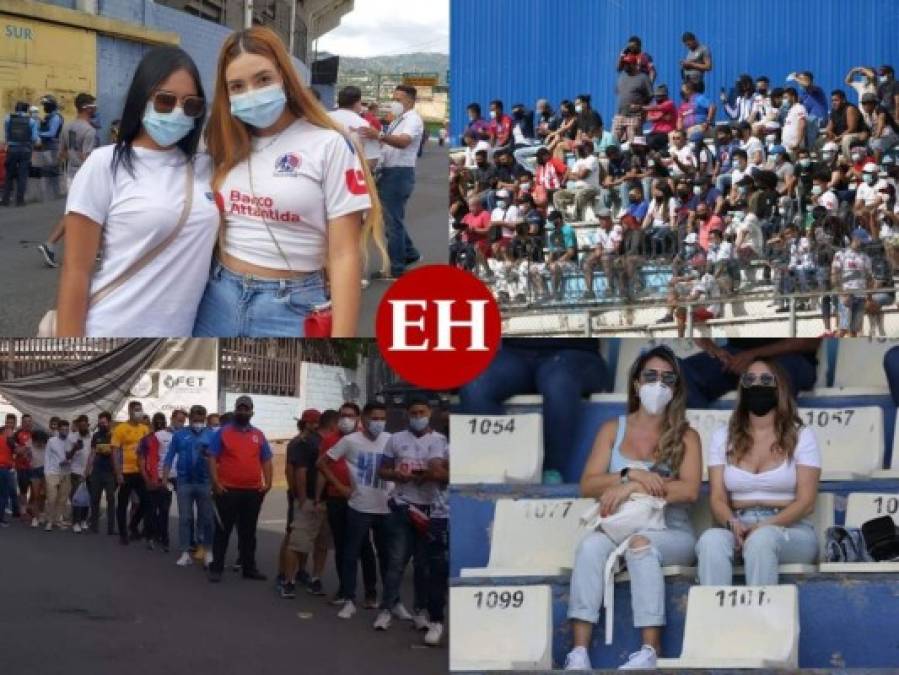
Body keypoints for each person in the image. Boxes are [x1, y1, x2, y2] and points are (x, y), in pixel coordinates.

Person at [196, 27, 385, 336]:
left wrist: (342, 337)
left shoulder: (329, 145)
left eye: (263, 80)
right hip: (217, 296)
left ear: (285, 77)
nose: (251, 93)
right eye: (237, 86)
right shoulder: (222, 145)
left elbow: (344, 254)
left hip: (292, 307)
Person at [56, 47, 217, 337]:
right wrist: (69, 352)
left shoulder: (204, 168)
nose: (178, 112)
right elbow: (75, 271)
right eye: (165, 101)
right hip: (110, 333)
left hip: (181, 344)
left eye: (191, 105)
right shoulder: (105, 163)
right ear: (142, 99)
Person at [564, 346, 701, 671]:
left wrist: (634, 486)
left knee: (641, 546)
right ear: (636, 383)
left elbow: (690, 490)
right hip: (619, 527)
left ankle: (650, 651)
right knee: (589, 547)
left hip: (671, 531)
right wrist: (629, 473)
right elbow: (588, 484)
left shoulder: (686, 435)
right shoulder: (613, 428)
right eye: (650, 376)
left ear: (676, 388)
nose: (658, 384)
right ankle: (579, 653)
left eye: (668, 379)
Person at [696, 359, 821, 585]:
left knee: (761, 540)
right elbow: (717, 498)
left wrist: (763, 526)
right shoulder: (722, 437)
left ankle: (759, 620)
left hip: (790, 528)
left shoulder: (802, 435)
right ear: (742, 389)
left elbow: (806, 503)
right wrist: (732, 524)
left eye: (765, 379)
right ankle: (714, 619)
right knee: (710, 541)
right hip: (738, 522)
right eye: (749, 379)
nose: (757, 385)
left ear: (779, 387)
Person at [459, 339, 608, 482]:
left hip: (577, 354)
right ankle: (501, 471)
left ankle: (552, 474)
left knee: (558, 381)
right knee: (476, 384)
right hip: (515, 354)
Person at [317, 401, 395, 621]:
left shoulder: (391, 440)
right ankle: (349, 599)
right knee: (350, 554)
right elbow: (321, 463)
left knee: (387, 558)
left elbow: (402, 465)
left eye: (382, 418)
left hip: (386, 508)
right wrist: (340, 487)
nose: (378, 423)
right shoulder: (350, 441)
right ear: (365, 420)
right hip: (359, 507)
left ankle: (390, 601)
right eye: (374, 418)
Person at [376, 398, 448, 632]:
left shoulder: (440, 441)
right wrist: (397, 475)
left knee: (423, 566)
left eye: (422, 412)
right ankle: (387, 608)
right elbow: (382, 470)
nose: (418, 416)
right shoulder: (395, 439)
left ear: (430, 413)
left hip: (431, 510)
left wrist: (430, 475)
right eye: (414, 412)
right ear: (407, 415)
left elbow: (446, 475)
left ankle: (420, 611)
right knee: (396, 562)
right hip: (402, 506)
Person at [206, 396, 273, 583]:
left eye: (246, 409)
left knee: (248, 532)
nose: (243, 412)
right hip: (227, 490)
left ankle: (249, 568)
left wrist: (268, 483)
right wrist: (216, 483)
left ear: (252, 412)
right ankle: (216, 568)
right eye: (240, 409)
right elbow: (211, 457)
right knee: (223, 530)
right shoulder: (222, 432)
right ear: (235, 410)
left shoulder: (258, 435)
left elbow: (266, 459)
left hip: (253, 492)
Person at [681, 339, 820, 408]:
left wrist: (753, 356)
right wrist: (714, 349)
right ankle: (698, 437)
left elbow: (811, 342)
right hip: (736, 355)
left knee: (769, 381)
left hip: (790, 356)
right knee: (678, 374)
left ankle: (775, 446)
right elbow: (692, 320)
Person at [281, 409, 327, 598]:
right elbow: (293, 471)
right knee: (295, 538)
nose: (316, 426)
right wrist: (298, 497)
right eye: (313, 422)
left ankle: (302, 573)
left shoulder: (316, 442)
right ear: (306, 423)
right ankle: (286, 576)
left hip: (315, 498)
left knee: (311, 539)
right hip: (302, 497)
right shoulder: (300, 443)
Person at [164, 405, 214, 567]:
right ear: (190, 418)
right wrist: (164, 478)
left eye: (201, 419)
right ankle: (185, 552)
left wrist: (217, 481)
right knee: (185, 518)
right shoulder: (179, 435)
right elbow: (169, 456)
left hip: (205, 482)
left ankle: (207, 550)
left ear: (204, 419)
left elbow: (218, 459)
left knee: (206, 518)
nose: (198, 422)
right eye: (195, 419)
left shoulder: (212, 435)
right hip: (184, 483)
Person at [112, 401, 151, 544]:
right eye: (136, 410)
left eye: (140, 409)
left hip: (140, 471)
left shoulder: (145, 429)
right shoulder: (120, 429)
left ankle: (133, 525)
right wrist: (118, 473)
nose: (139, 412)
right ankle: (123, 534)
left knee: (146, 501)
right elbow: (115, 452)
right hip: (125, 472)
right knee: (122, 504)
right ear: (130, 411)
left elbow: (149, 451)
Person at [424, 430, 449, 647]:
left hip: (472, 513)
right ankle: (436, 621)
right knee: (437, 570)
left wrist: (447, 468)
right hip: (441, 516)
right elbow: (436, 472)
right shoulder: (437, 441)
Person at [138, 412, 173, 550]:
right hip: (151, 478)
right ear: (152, 423)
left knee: (164, 510)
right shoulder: (146, 439)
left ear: (165, 423)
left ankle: (164, 537)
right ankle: (150, 536)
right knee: (151, 510)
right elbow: (141, 460)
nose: (159, 424)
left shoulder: (171, 437)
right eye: (157, 421)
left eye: (162, 421)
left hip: (165, 479)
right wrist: (146, 479)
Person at [329, 86, 381, 172]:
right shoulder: (364, 125)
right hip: (351, 175)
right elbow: (372, 159)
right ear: (357, 103)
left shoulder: (324, 118)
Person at [2, 101, 39, 207]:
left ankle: (5, 200)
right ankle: (20, 200)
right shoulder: (31, 121)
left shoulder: (8, 118)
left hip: (12, 149)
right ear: (26, 110)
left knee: (9, 175)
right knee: (22, 176)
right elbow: (34, 138)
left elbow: (6, 134)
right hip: (25, 150)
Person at [85, 411, 116, 535]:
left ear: (109, 422)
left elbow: (114, 451)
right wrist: (87, 470)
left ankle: (111, 528)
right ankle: (94, 526)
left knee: (111, 499)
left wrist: (103, 449)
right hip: (97, 471)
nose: (101, 424)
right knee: (94, 499)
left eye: (104, 422)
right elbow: (92, 453)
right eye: (100, 422)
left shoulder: (115, 435)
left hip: (110, 472)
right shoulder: (96, 435)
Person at [44, 419, 77, 531]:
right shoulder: (51, 441)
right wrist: (46, 472)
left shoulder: (70, 441)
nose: (65, 431)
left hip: (66, 473)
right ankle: (49, 521)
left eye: (67, 429)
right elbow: (47, 457)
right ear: (58, 430)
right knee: (51, 498)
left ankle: (57, 520)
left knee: (62, 499)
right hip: (52, 473)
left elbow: (71, 456)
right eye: (62, 429)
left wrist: (69, 460)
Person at [614, 55, 652, 143]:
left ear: (634, 64)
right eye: (624, 64)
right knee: (614, 142)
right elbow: (618, 91)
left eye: (628, 64)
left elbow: (650, 96)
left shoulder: (643, 78)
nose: (625, 66)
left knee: (635, 142)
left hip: (634, 116)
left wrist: (641, 107)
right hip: (620, 115)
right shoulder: (622, 77)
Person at [37, 94, 64, 200]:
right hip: (47, 146)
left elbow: (52, 133)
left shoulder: (56, 117)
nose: (44, 107)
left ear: (51, 105)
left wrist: (37, 133)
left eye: (46, 105)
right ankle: (50, 195)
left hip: (52, 147)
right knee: (48, 171)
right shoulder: (49, 117)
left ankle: (55, 195)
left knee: (52, 171)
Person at [69, 415, 92, 533]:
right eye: (80, 425)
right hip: (76, 471)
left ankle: (83, 520)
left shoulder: (92, 436)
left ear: (88, 425)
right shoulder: (72, 437)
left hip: (90, 471)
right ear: (78, 426)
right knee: (77, 498)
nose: (83, 427)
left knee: (87, 497)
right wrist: (75, 449)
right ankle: (75, 522)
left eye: (85, 425)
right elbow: (67, 456)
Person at [12, 414, 34, 522]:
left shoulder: (35, 434)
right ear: (22, 422)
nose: (28, 423)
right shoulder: (17, 434)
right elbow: (16, 450)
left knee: (34, 490)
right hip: (22, 467)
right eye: (25, 421)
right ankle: (23, 512)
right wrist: (26, 448)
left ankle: (29, 508)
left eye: (30, 421)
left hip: (34, 467)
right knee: (23, 490)